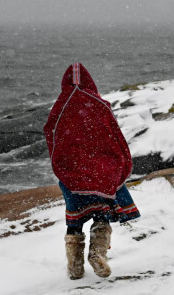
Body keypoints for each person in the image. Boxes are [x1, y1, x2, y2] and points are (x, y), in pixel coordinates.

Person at [43, 62, 140, 279]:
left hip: (72, 174)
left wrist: (67, 161)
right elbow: (113, 135)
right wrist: (113, 162)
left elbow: (51, 133)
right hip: (100, 172)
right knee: (101, 213)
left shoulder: (60, 107)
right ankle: (97, 253)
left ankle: (75, 267)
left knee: (74, 220)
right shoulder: (99, 104)